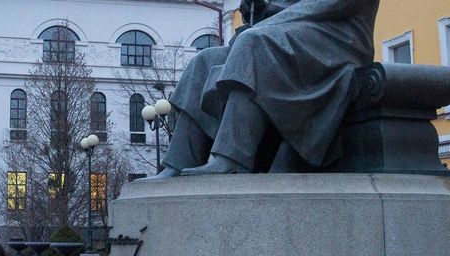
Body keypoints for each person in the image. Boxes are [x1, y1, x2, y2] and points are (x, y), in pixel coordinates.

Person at [148, 0, 381, 177]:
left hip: (339, 40)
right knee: (205, 60)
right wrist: (261, 8)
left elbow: (327, 5)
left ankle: (231, 158)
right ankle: (179, 161)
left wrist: (266, 23)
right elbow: (288, 7)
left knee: (253, 43)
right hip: (298, 33)